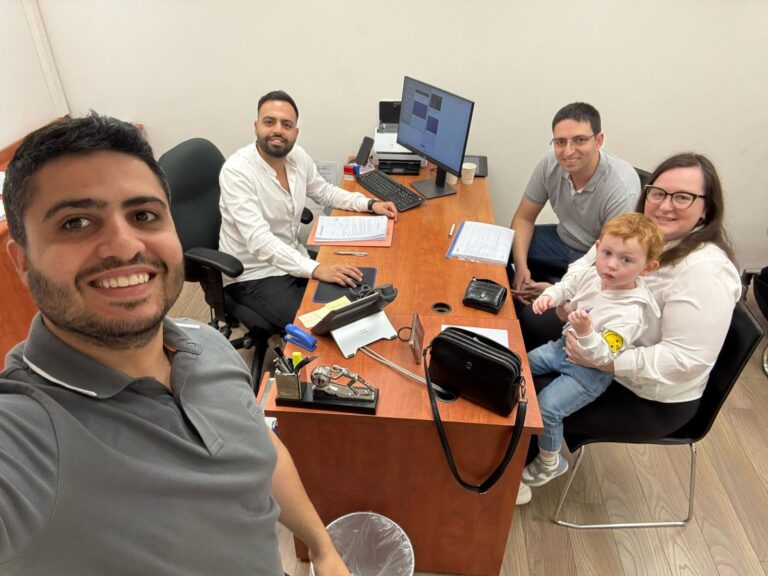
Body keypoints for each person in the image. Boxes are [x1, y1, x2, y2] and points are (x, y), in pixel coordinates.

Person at [0, 113, 349, 575]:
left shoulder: (207, 345)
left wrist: (322, 548)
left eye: (143, 215)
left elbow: (257, 448)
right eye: (76, 222)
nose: (125, 246)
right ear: (22, 262)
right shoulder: (25, 438)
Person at [516, 152, 741, 505]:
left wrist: (606, 361)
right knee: (528, 325)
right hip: (593, 341)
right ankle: (519, 440)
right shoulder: (634, 232)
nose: (665, 205)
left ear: (706, 209)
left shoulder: (706, 272)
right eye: (658, 193)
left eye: (683, 197)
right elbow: (584, 267)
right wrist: (562, 296)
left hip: (646, 395)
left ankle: (527, 464)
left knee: (531, 394)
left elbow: (685, 361)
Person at [219, 90, 397, 333]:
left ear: (295, 131)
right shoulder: (237, 172)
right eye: (269, 122)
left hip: (293, 255)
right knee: (322, 324)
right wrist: (316, 269)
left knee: (359, 293)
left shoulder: (296, 156)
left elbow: (324, 192)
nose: (278, 130)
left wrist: (369, 204)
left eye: (286, 124)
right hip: (254, 273)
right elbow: (259, 242)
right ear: (256, 126)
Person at [521, 213, 664, 487]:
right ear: (597, 248)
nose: (612, 264)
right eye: (607, 253)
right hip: (564, 347)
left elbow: (605, 356)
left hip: (589, 374)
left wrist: (586, 332)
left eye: (626, 260)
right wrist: (550, 297)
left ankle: (550, 462)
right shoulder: (593, 274)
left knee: (548, 408)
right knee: (522, 366)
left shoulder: (632, 312)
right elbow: (567, 286)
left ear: (647, 268)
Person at [509, 102, 641, 306]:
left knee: (535, 315)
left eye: (579, 140)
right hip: (561, 240)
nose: (568, 151)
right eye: (560, 142)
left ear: (599, 141)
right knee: (499, 250)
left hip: (597, 257)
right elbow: (523, 218)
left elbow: (611, 260)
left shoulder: (621, 187)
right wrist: (521, 268)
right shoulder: (550, 163)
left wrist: (559, 292)